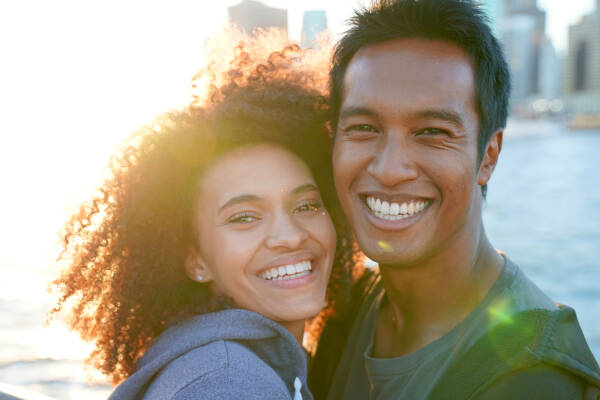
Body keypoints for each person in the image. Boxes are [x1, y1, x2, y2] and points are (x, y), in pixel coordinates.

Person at [309, 0, 600, 399]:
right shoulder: (354, 303)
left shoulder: (535, 378)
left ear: (488, 157)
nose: (390, 170)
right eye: (363, 127)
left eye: (432, 132)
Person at [49, 29, 357, 400]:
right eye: (244, 217)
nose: (291, 236)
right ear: (195, 259)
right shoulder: (229, 383)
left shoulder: (213, 359)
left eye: (306, 206)